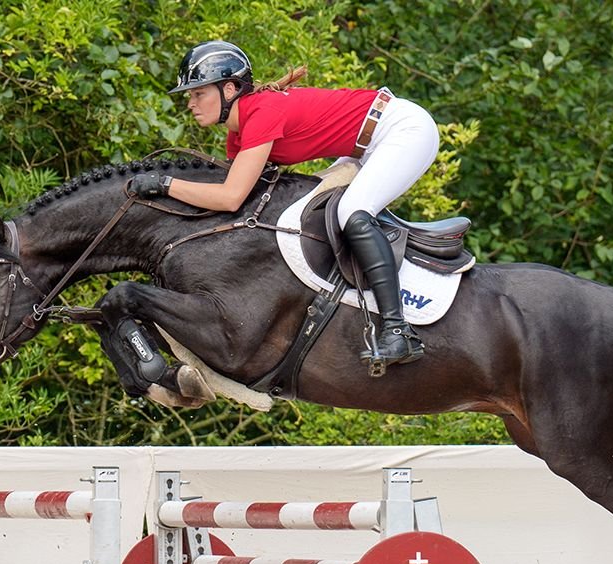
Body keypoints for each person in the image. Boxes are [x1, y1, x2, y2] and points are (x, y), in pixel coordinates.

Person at [128, 41, 440, 369]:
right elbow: (238, 201)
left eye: (198, 93)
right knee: (317, 209)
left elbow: (230, 197)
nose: (190, 103)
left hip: (402, 130)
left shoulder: (261, 112)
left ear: (230, 89)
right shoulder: (238, 134)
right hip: (366, 145)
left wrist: (166, 185)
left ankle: (398, 330)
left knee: (351, 212)